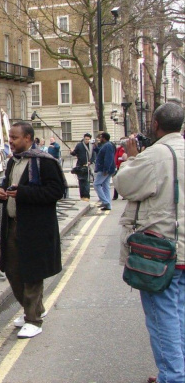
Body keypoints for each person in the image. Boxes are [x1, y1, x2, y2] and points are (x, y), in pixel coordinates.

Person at [113, 103, 184, 383]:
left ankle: (173, 377)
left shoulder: (155, 156)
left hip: (162, 254)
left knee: (163, 319)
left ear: (155, 124)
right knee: (178, 316)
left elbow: (125, 185)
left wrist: (131, 159)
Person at [0, 122, 65, 339]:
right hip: (13, 226)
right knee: (12, 270)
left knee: (32, 273)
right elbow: (7, 186)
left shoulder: (45, 162)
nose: (11, 142)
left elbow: (56, 191)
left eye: (15, 138)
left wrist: (23, 193)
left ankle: (34, 319)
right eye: (10, 138)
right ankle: (31, 310)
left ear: (28, 138)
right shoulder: (13, 162)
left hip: (36, 228)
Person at [93, 131, 116, 211]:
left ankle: (105, 202)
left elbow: (108, 158)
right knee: (106, 186)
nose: (100, 139)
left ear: (104, 138)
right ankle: (108, 205)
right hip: (107, 169)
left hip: (104, 169)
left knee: (96, 184)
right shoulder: (106, 145)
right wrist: (96, 148)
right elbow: (101, 153)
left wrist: (106, 169)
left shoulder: (108, 145)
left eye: (101, 137)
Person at [70, 133, 93, 201]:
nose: (87, 140)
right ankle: (82, 196)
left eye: (88, 139)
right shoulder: (79, 145)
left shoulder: (92, 146)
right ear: (83, 138)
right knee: (81, 181)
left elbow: (94, 155)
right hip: (80, 166)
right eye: (86, 139)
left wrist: (90, 161)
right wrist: (71, 152)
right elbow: (74, 153)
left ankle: (86, 196)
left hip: (87, 166)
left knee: (86, 181)